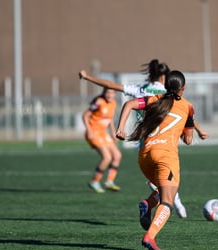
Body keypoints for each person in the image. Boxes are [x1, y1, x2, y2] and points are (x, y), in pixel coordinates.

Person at [79, 59, 209, 217]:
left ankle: (156, 205)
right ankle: (173, 203)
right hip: (165, 141)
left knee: (158, 179)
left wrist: (88, 78)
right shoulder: (168, 93)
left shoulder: (140, 89)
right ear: (164, 77)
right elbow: (183, 113)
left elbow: (111, 85)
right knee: (170, 177)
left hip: (144, 144)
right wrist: (199, 130)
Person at [116, 70, 194, 250]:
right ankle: (150, 237)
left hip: (145, 155)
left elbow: (129, 104)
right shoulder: (188, 107)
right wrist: (183, 129)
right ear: (183, 88)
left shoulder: (154, 99)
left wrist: (120, 129)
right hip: (165, 156)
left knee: (164, 189)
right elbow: (188, 140)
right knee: (168, 201)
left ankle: (148, 203)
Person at [82, 87, 122, 193]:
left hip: (103, 133)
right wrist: (89, 130)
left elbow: (110, 119)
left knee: (117, 155)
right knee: (107, 157)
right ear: (104, 93)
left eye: (112, 93)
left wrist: (113, 133)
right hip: (94, 132)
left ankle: (109, 181)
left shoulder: (113, 103)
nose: (110, 95)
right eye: (108, 92)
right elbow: (85, 116)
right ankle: (94, 181)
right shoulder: (99, 102)